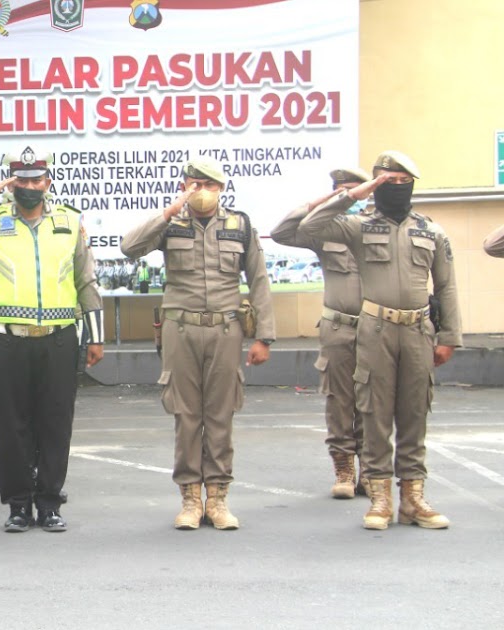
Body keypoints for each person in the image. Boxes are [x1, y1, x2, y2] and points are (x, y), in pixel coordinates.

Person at [0, 147, 106, 533]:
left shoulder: (69, 221)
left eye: (36, 179)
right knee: (11, 426)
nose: (29, 187)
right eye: (21, 180)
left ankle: (49, 503)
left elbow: (85, 280)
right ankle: (18, 505)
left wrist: (96, 336)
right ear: (10, 184)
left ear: (48, 181)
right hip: (7, 341)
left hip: (59, 339)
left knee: (55, 423)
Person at [299, 151, 461, 530]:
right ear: (376, 184)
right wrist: (354, 195)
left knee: (414, 412)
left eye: (404, 182)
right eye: (389, 181)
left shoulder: (431, 231)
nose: (397, 187)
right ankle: (380, 499)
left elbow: (447, 287)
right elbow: (309, 226)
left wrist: (449, 336)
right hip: (375, 330)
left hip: (418, 329)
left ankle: (413, 498)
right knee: (374, 414)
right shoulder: (358, 226)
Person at [121, 156, 275, 531]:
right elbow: (129, 247)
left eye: (209, 186)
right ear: (183, 187)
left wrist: (264, 336)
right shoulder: (170, 224)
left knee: (220, 415)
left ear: (221, 189)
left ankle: (218, 499)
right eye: (194, 185)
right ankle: (190, 499)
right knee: (186, 416)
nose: (202, 192)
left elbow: (258, 279)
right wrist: (169, 211)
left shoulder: (240, 225)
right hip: (181, 330)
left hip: (225, 330)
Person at [271, 167, 371, 498]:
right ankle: (344, 470)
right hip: (338, 327)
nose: (350, 197)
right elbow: (282, 233)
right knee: (339, 401)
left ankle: (371, 470)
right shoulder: (325, 229)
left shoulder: (380, 227)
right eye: (342, 190)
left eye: (354, 190)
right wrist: (320, 203)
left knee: (373, 400)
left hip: (377, 329)